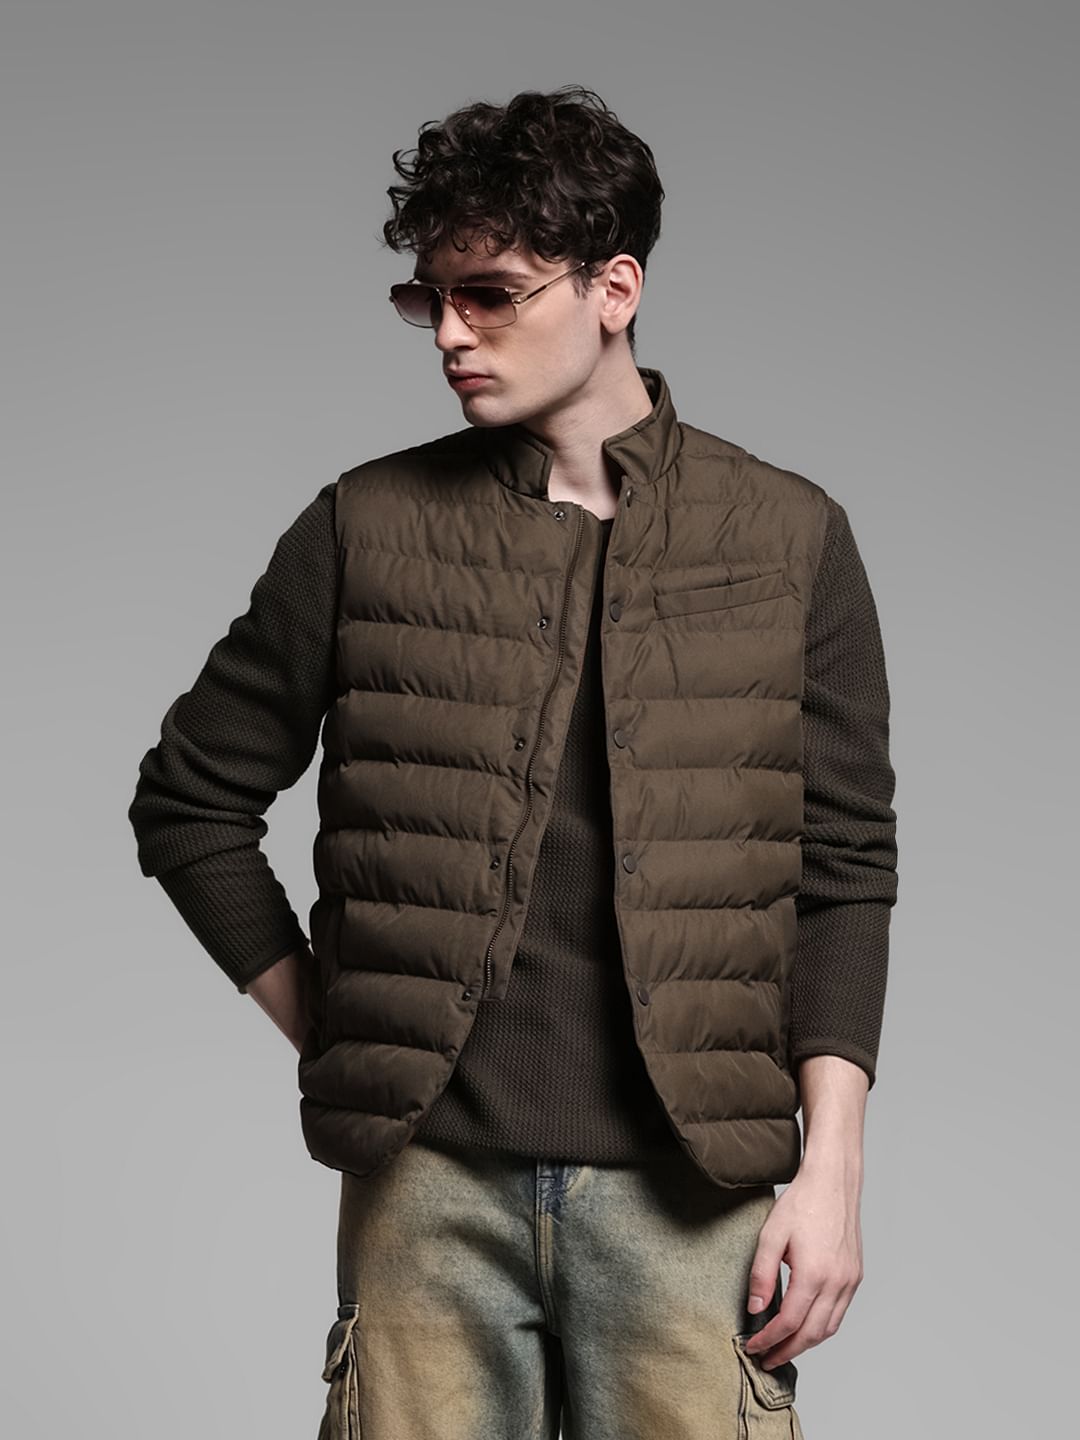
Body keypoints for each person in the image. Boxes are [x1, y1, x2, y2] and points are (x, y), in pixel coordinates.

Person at [129, 84, 898, 1440]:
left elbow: (842, 868)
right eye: (430, 300)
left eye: (490, 295)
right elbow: (190, 800)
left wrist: (832, 1171)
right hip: (428, 1196)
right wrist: (344, 1034)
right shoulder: (364, 526)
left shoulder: (789, 537)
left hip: (693, 1200)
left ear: (615, 288)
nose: (452, 334)